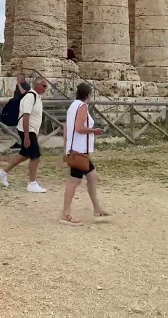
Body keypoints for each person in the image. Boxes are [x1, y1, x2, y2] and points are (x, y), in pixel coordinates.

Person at [60, 82, 113, 226]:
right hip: (79, 149)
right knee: (74, 180)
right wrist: (94, 131)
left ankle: (97, 208)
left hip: (75, 148)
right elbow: (79, 128)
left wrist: (66, 147)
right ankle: (65, 214)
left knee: (92, 175)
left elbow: (66, 127)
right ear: (88, 94)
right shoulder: (82, 106)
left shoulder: (73, 106)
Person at [0, 76, 48, 193]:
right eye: (44, 86)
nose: (46, 88)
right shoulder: (30, 97)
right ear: (37, 85)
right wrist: (27, 137)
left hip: (31, 130)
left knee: (24, 154)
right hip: (27, 130)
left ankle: (3, 172)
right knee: (36, 156)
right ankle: (32, 183)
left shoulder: (37, 97)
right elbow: (26, 116)